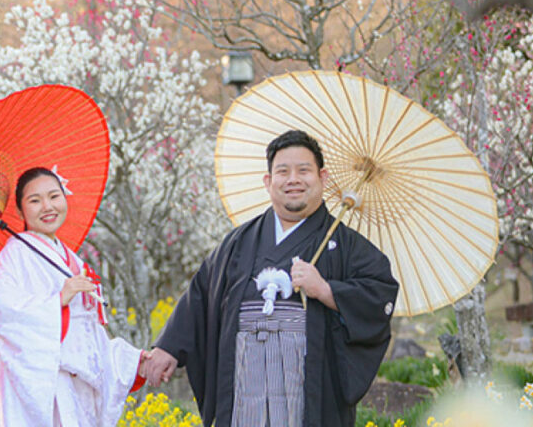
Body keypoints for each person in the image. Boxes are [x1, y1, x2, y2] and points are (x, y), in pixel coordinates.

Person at [141, 130, 399, 427]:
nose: (294, 180)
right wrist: (169, 347)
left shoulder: (346, 245)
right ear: (268, 181)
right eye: (283, 171)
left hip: (306, 378)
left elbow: (379, 293)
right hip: (244, 374)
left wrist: (326, 289)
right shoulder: (239, 242)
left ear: (323, 178)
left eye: (304, 170)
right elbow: (201, 294)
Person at [0, 167, 147, 427]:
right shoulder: (14, 257)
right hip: (45, 389)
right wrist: (57, 301)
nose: (47, 206)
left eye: (54, 196)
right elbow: (2, 310)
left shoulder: (73, 260)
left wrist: (131, 361)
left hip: (79, 390)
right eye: (35, 200)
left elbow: (88, 336)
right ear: (21, 211)